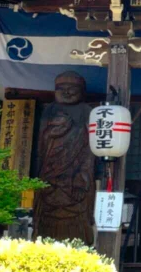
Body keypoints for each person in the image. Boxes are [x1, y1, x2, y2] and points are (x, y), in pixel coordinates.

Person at [33, 71, 96, 243]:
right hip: (50, 172)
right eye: (62, 88)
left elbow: (90, 150)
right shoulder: (49, 110)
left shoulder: (87, 112)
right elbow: (40, 147)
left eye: (72, 88)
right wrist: (52, 133)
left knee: (77, 211)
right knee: (46, 210)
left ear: (82, 91)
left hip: (75, 174)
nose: (67, 92)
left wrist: (81, 179)